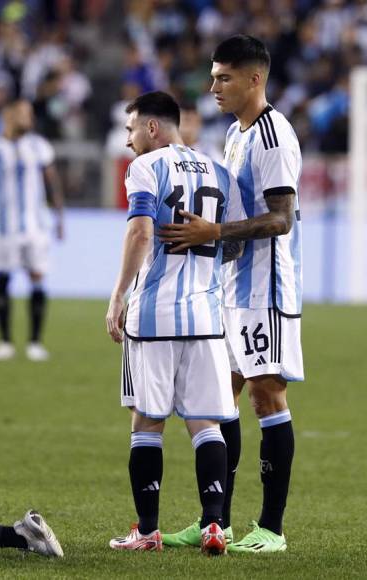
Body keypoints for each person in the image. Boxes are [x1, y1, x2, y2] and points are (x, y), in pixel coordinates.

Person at [158, 35, 303, 553]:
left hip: (265, 289)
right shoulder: (236, 133)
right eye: (213, 76)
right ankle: (215, 520)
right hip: (232, 287)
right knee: (221, 400)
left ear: (254, 79)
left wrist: (214, 234)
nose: (213, 86)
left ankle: (272, 528)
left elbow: (281, 219)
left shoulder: (272, 137)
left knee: (267, 396)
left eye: (224, 78)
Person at [105, 91, 243, 555]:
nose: (126, 142)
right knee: (205, 423)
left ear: (151, 128)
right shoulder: (219, 170)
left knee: (146, 422)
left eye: (129, 130)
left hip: (154, 314)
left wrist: (118, 295)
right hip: (206, 316)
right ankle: (214, 525)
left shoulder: (146, 167)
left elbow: (141, 230)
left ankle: (146, 532)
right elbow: (235, 243)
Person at [0, 99, 64, 362]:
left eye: (30, 114)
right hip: (3, 229)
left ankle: (35, 342)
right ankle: (4, 342)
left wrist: (59, 218)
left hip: (36, 227)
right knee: (2, 279)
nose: (29, 119)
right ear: (8, 116)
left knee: (37, 277)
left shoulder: (39, 146)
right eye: (24, 114)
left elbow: (52, 183)